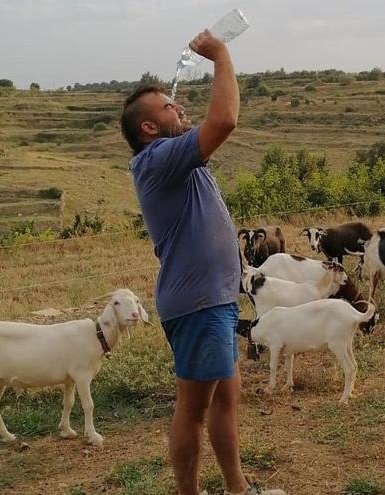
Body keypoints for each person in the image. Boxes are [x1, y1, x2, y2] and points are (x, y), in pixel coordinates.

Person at [121, 30, 286, 495]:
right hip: (197, 305)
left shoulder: (180, 162)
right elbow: (226, 118)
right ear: (148, 128)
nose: (180, 109)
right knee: (193, 408)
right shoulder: (157, 160)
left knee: (227, 400)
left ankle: (238, 489)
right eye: (170, 108)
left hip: (215, 299)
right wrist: (220, 54)